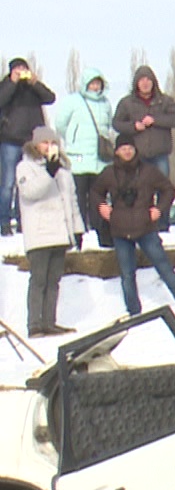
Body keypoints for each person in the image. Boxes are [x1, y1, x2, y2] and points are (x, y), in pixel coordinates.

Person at [89, 133, 175, 315]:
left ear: (135, 150)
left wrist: (159, 209)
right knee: (127, 275)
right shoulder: (109, 173)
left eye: (130, 148)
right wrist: (102, 207)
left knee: (163, 266)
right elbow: (95, 192)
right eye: (123, 148)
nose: (127, 152)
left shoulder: (148, 171)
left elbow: (168, 189)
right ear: (117, 151)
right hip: (120, 230)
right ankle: (134, 312)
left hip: (146, 227)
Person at [16, 127, 83, 335]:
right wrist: (48, 172)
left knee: (54, 280)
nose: (48, 147)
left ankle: (49, 322)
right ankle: (34, 324)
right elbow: (31, 192)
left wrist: (77, 229)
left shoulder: (63, 170)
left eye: (52, 143)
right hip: (39, 233)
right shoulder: (25, 167)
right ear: (36, 145)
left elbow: (71, 201)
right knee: (39, 280)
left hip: (60, 233)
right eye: (44, 143)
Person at [53, 67, 115, 246]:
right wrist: (72, 140)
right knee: (78, 200)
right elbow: (60, 124)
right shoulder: (73, 101)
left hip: (99, 162)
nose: (95, 87)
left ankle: (102, 236)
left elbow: (108, 125)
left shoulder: (105, 103)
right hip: (78, 160)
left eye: (98, 83)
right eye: (92, 83)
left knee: (99, 200)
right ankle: (77, 237)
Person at [109, 64, 175, 205]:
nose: (145, 83)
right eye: (141, 80)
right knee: (140, 190)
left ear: (153, 82)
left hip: (160, 155)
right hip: (137, 156)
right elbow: (116, 123)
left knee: (164, 189)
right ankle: (143, 221)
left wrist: (155, 120)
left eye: (148, 80)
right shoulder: (127, 103)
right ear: (136, 83)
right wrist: (134, 126)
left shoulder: (165, 101)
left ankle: (162, 222)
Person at [1, 59, 57, 235]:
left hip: (31, 143)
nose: (21, 71)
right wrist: (12, 82)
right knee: (8, 183)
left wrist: (35, 83)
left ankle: (22, 218)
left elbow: (50, 98)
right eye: (17, 69)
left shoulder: (33, 88)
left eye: (24, 68)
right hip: (9, 139)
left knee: (28, 182)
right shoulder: (5, 85)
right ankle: (4, 221)